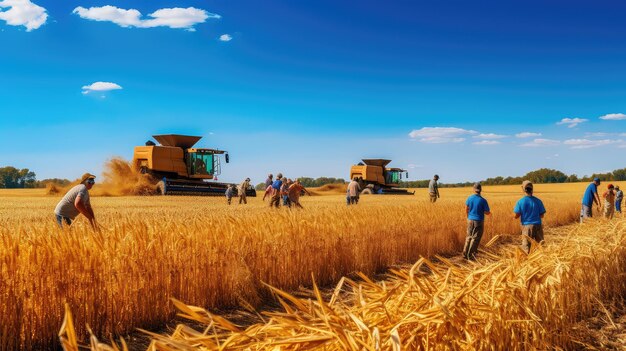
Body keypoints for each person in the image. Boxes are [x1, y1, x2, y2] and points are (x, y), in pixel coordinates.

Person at [514, 180, 546, 254]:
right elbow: (542, 215)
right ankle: (542, 259)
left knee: (526, 247)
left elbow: (516, 216)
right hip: (538, 225)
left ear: (523, 189)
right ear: (532, 189)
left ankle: (527, 262)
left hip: (526, 226)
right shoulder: (538, 201)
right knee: (540, 245)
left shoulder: (520, 201)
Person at [462, 183, 491, 260]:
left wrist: (468, 217)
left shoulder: (469, 198)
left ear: (473, 189)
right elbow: (487, 212)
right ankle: (470, 255)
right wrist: (487, 213)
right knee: (475, 238)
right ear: (480, 190)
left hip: (470, 220)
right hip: (479, 221)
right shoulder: (483, 200)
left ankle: (465, 253)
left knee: (468, 237)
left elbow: (466, 208)